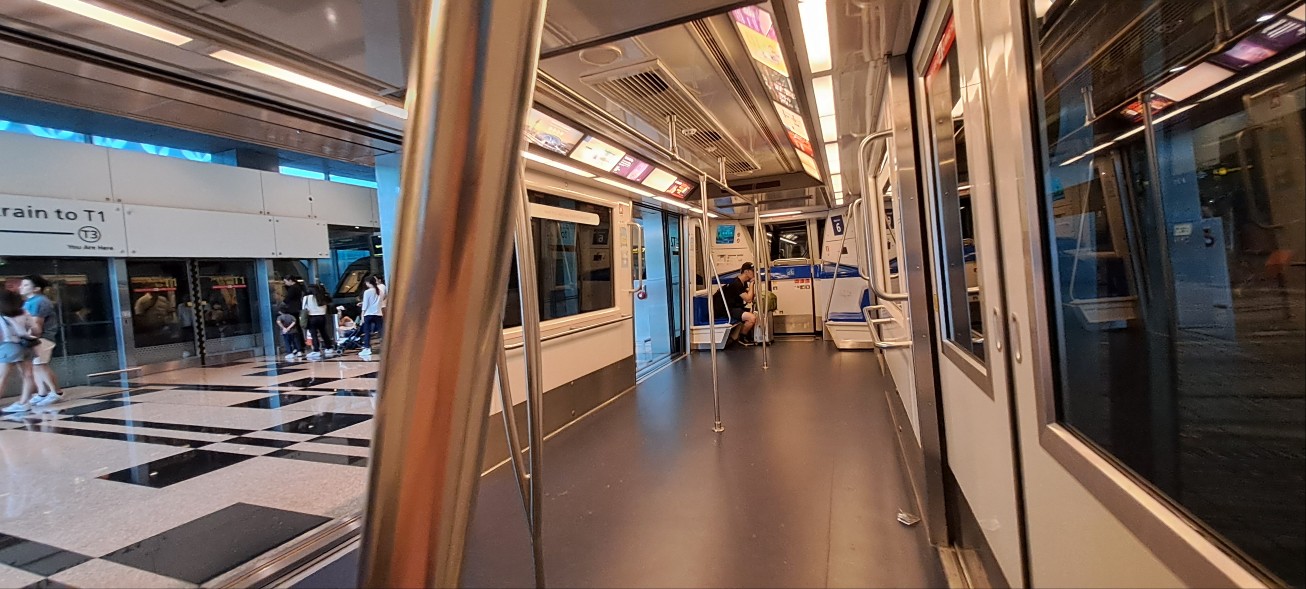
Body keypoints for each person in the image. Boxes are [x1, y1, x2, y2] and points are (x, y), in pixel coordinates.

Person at [19, 275, 63, 405]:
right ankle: (42, 393)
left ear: (36, 288)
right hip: (36, 338)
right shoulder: (30, 302)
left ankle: (55, 392)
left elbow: (36, 325)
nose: (21, 287)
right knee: (37, 366)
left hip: (42, 338)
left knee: (41, 365)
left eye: (26, 285)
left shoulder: (39, 301)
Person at [1, 290, 37, 414]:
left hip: (8, 346)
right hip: (26, 345)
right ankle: (24, 403)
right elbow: (36, 329)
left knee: (2, 377)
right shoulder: (24, 312)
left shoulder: (2, 315)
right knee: (27, 375)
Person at [713, 262, 758, 346]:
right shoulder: (736, 284)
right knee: (751, 318)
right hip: (727, 309)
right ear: (746, 272)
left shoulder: (743, 282)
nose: (754, 273)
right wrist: (752, 284)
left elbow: (749, 294)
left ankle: (742, 336)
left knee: (754, 313)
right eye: (752, 271)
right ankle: (741, 337)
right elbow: (748, 299)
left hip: (734, 307)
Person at [301, 283, 335, 360]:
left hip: (312, 317)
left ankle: (316, 350)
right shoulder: (322, 296)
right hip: (322, 317)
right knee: (324, 333)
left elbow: (304, 308)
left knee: (314, 334)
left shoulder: (307, 297)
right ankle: (329, 347)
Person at [358, 275, 384, 359]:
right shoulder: (380, 291)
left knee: (367, 332)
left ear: (368, 283)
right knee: (381, 331)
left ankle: (367, 348)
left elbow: (365, 305)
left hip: (368, 314)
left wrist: (362, 315)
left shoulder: (367, 292)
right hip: (378, 313)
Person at [280, 274, 306, 353]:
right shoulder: (298, 287)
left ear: (290, 280)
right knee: (297, 327)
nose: (285, 283)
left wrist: (282, 303)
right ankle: (300, 346)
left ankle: (298, 347)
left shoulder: (293, 288)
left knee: (295, 329)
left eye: (286, 281)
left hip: (293, 309)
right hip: (297, 308)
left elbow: (288, 298)